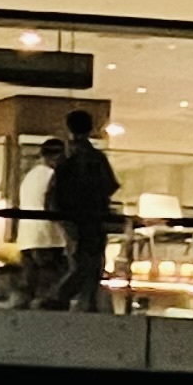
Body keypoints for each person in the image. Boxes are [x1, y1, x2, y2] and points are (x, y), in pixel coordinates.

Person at [38, 105, 120, 312]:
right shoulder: (96, 158)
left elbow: (54, 196)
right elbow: (109, 186)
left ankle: (60, 300)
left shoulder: (67, 160)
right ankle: (81, 304)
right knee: (92, 267)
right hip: (94, 221)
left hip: (74, 221)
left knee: (80, 265)